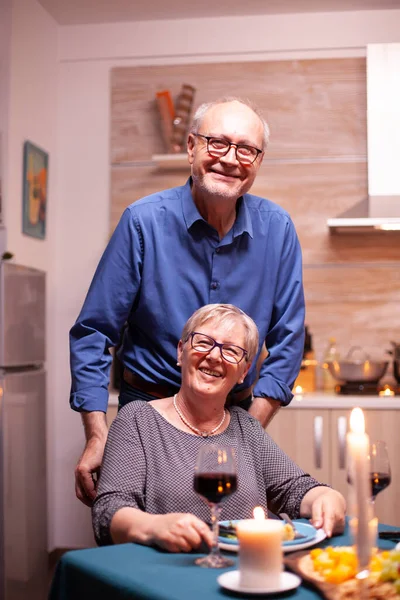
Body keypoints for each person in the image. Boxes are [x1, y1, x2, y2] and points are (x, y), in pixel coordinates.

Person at [70, 97, 305, 507]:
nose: (230, 159)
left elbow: (289, 340)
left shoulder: (278, 229)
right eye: (217, 143)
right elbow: (93, 332)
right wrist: (97, 433)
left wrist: (250, 426)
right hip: (147, 412)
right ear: (191, 146)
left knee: (231, 536)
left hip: (234, 412)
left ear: (258, 161)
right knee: (143, 537)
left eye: (246, 149)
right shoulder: (143, 222)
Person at [92, 304, 345, 550]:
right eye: (203, 342)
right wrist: (153, 526)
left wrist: (328, 498)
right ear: (181, 352)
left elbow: (296, 490)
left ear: (244, 371)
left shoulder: (245, 426)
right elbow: (108, 510)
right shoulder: (137, 419)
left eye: (231, 350)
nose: (214, 356)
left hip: (247, 571)